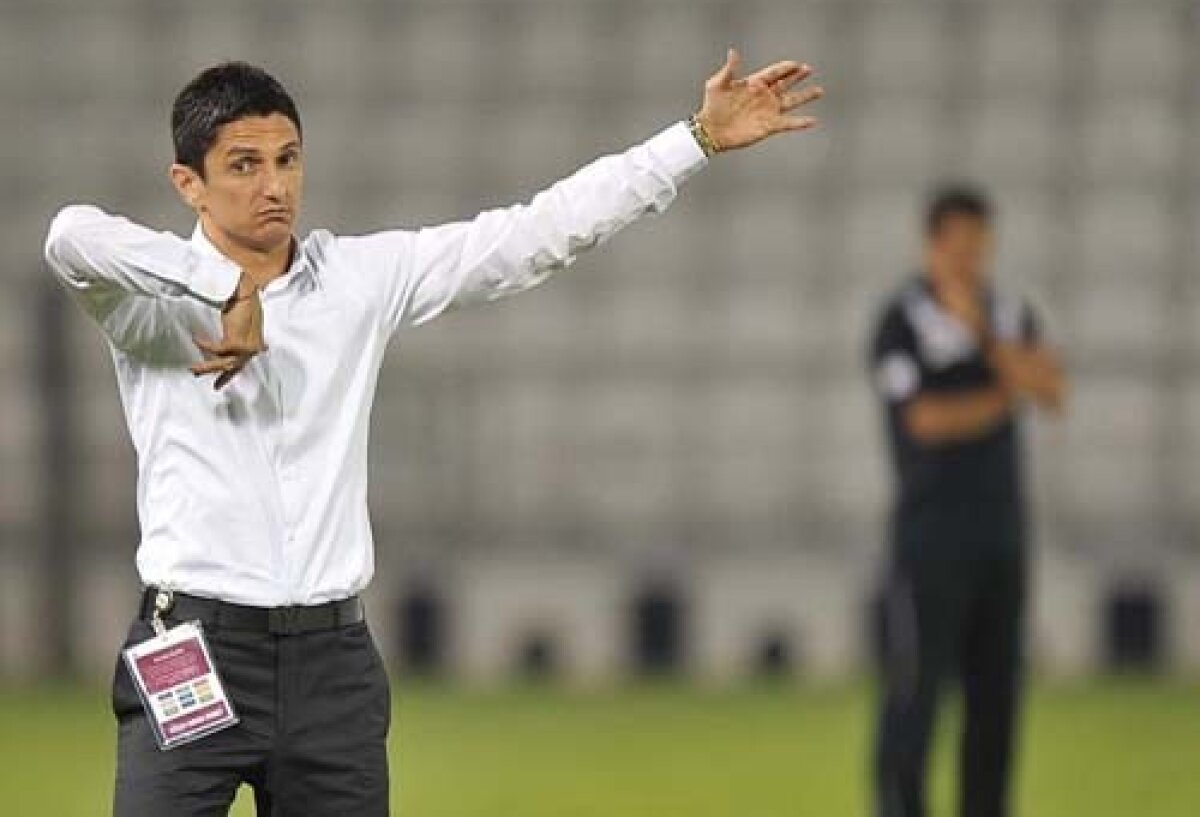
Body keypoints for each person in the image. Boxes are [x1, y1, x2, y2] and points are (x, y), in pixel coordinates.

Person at [43, 52, 823, 816]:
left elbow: (534, 234)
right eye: (243, 165)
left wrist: (695, 139)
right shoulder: (146, 305)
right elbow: (69, 235)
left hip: (330, 659)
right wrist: (224, 286)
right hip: (194, 644)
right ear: (189, 183)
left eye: (287, 158)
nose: (274, 185)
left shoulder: (357, 280)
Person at [869, 186, 1067, 817]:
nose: (969, 259)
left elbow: (1052, 389)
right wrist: (1003, 395)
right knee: (917, 689)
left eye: (979, 247)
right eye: (958, 246)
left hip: (1001, 532)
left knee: (996, 695)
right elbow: (923, 421)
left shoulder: (1005, 314)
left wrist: (984, 339)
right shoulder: (902, 320)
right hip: (930, 536)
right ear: (932, 245)